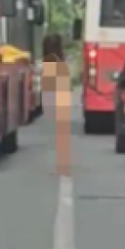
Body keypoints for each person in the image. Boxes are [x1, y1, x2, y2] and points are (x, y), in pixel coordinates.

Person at [41, 33, 71, 177]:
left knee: (55, 137)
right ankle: (63, 166)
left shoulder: (48, 60)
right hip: (62, 99)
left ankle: (60, 166)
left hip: (51, 99)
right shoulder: (60, 60)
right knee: (62, 136)